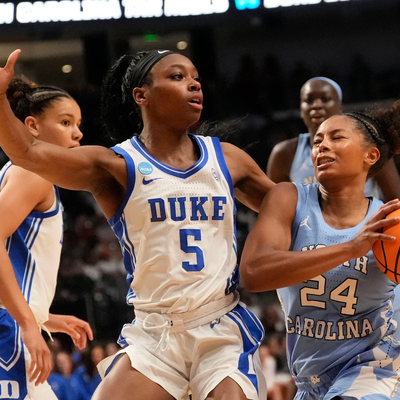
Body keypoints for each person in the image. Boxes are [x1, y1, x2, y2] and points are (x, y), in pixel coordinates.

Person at [0, 49, 275, 400]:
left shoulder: (228, 159)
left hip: (219, 326)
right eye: (177, 77)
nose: (193, 84)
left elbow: (287, 211)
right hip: (155, 332)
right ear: (141, 95)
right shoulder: (117, 164)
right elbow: (27, 153)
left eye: (195, 78)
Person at [240, 102, 400, 399]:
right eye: (317, 142)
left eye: (336, 137)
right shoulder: (289, 198)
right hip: (309, 379)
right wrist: (350, 248)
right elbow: (253, 272)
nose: (322, 146)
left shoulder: (391, 223)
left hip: (375, 366)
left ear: (371, 155)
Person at [0, 74, 94, 399]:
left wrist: (44, 318)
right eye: (66, 122)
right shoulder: (32, 174)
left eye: (78, 124)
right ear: (33, 126)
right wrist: (28, 322)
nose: (77, 133)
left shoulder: (17, 173)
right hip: (10, 329)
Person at [266, 76, 400, 201]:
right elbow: (271, 204)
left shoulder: (369, 144)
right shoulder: (284, 153)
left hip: (366, 217)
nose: (316, 105)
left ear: (341, 106)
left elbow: (396, 199)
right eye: (309, 100)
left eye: (325, 99)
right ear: (301, 109)